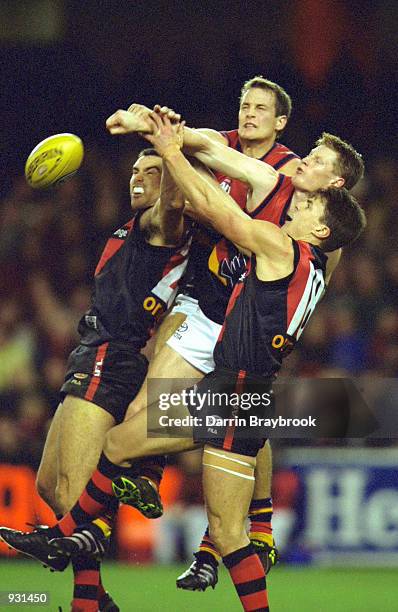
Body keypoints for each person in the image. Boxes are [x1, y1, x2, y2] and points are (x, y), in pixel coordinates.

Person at [0, 115, 367, 612]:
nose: (295, 200)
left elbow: (221, 210)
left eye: (307, 202)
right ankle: (96, 538)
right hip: (244, 393)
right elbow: (230, 174)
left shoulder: (282, 246)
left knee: (173, 485)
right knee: (224, 530)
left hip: (230, 393)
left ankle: (78, 540)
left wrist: (173, 151)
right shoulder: (316, 261)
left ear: (322, 224)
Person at [103, 96, 364, 591]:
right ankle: (221, 536)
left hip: (242, 350)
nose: (303, 159)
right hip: (234, 339)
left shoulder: (305, 235)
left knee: (129, 441)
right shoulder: (281, 187)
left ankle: (92, 537)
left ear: (334, 187)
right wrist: (153, 128)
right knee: (192, 432)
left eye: (317, 161)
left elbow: (219, 210)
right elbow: (210, 145)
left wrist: (169, 152)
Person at [3, 148, 191, 612]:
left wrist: (166, 145)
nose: (138, 178)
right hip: (89, 352)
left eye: (152, 173)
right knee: (50, 486)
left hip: (115, 355)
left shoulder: (160, 226)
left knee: (73, 490)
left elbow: (172, 203)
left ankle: (88, 603)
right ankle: (98, 596)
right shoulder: (130, 227)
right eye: (134, 169)